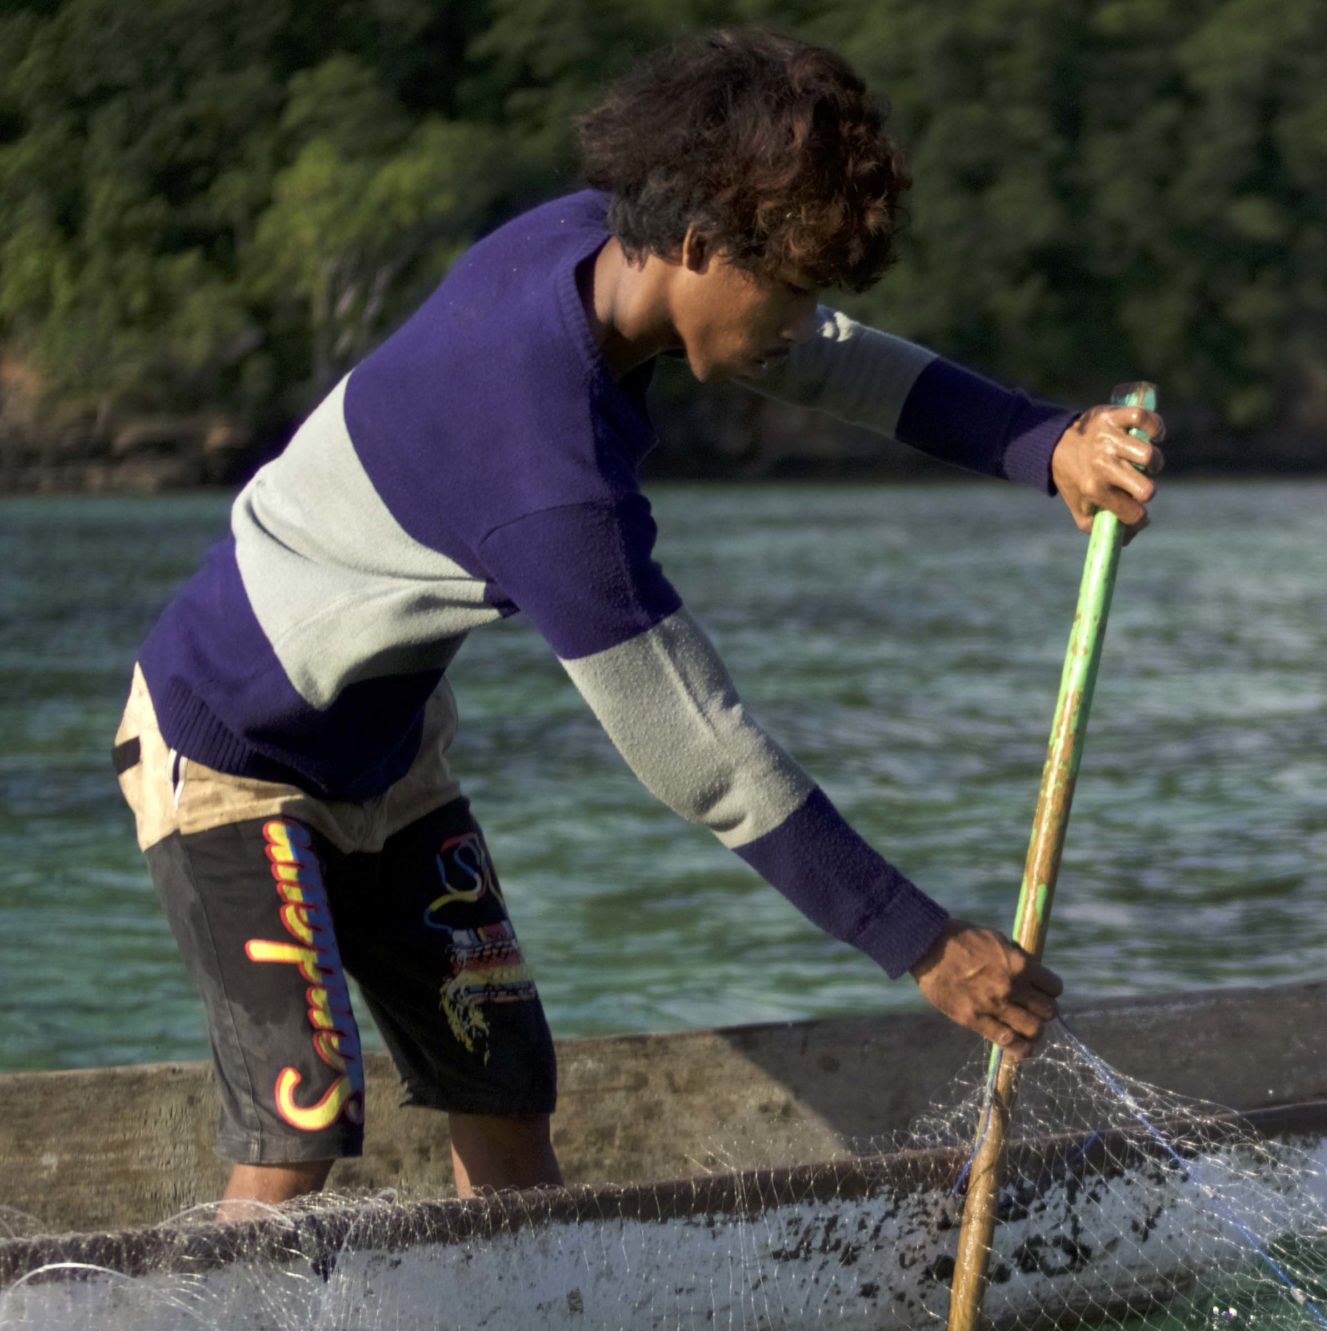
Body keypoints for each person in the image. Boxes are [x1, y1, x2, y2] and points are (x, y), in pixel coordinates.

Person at [111, 27, 1164, 1216]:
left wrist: (1043, 443)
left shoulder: (597, 242)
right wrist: (921, 944)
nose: (800, 320)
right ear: (702, 245)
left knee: (504, 1090)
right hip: (228, 754)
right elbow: (702, 756)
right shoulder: (549, 476)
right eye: (792, 289)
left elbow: (829, 364)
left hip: (388, 759)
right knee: (301, 1117)